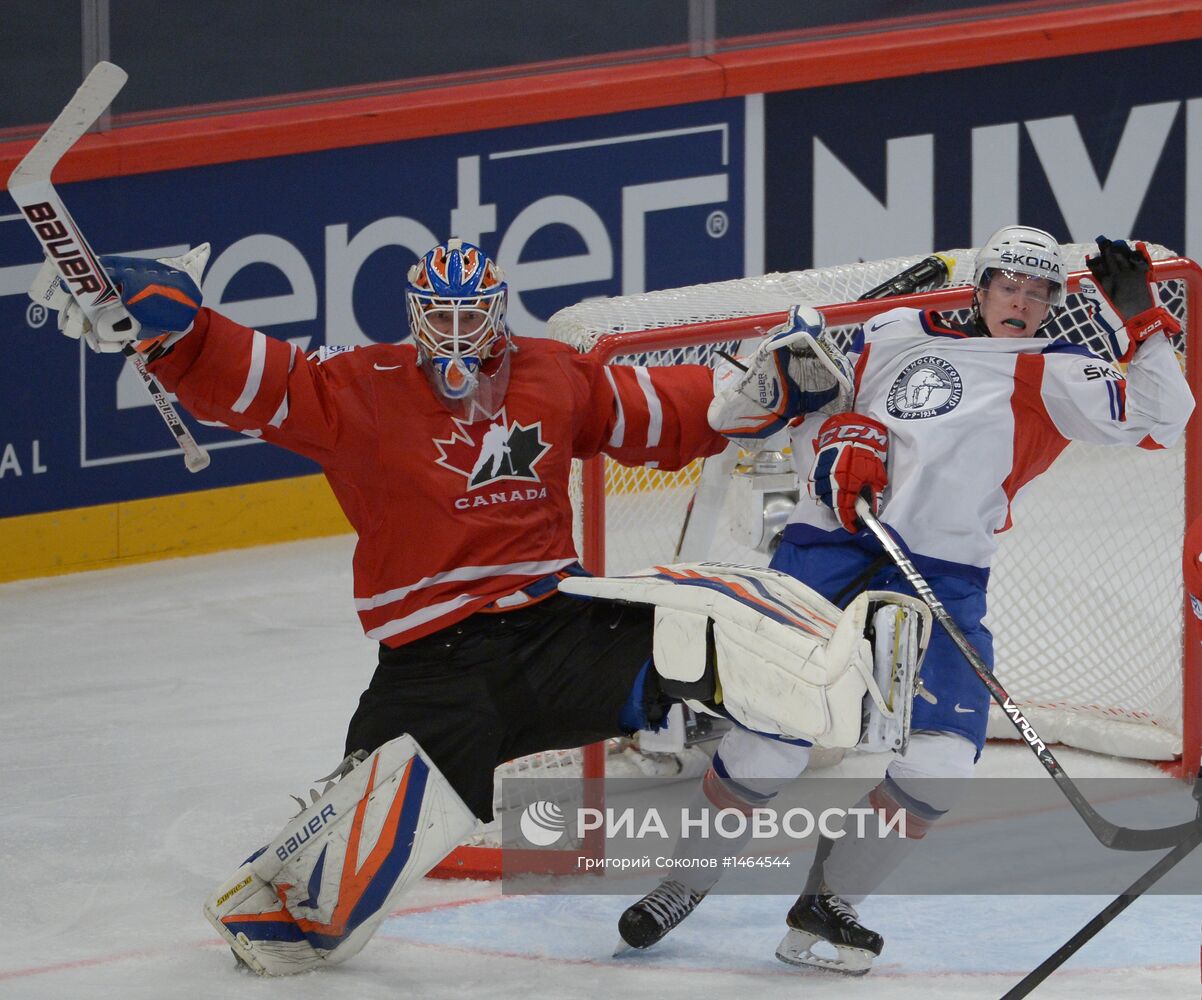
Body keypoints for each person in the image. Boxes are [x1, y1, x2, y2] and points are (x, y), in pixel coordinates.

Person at [34, 235, 870, 977]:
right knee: (294, 921)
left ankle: (765, 802)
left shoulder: (550, 372)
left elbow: (654, 411)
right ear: (414, 316)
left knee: (744, 649)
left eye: (475, 315)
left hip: (557, 635)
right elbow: (257, 379)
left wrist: (762, 392)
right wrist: (170, 327)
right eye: (442, 315)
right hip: (436, 668)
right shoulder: (359, 387)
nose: (460, 335)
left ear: (499, 313)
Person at [615, 227, 1196, 974]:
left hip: (943, 571)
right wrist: (836, 437)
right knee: (772, 737)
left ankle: (830, 904)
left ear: (1054, 302)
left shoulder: (1057, 372)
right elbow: (817, 395)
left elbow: (1166, 416)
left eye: (1037, 292)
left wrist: (1144, 323)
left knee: (942, 762)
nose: (1019, 304)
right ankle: (682, 884)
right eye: (1007, 287)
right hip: (829, 544)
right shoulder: (895, 326)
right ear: (980, 287)